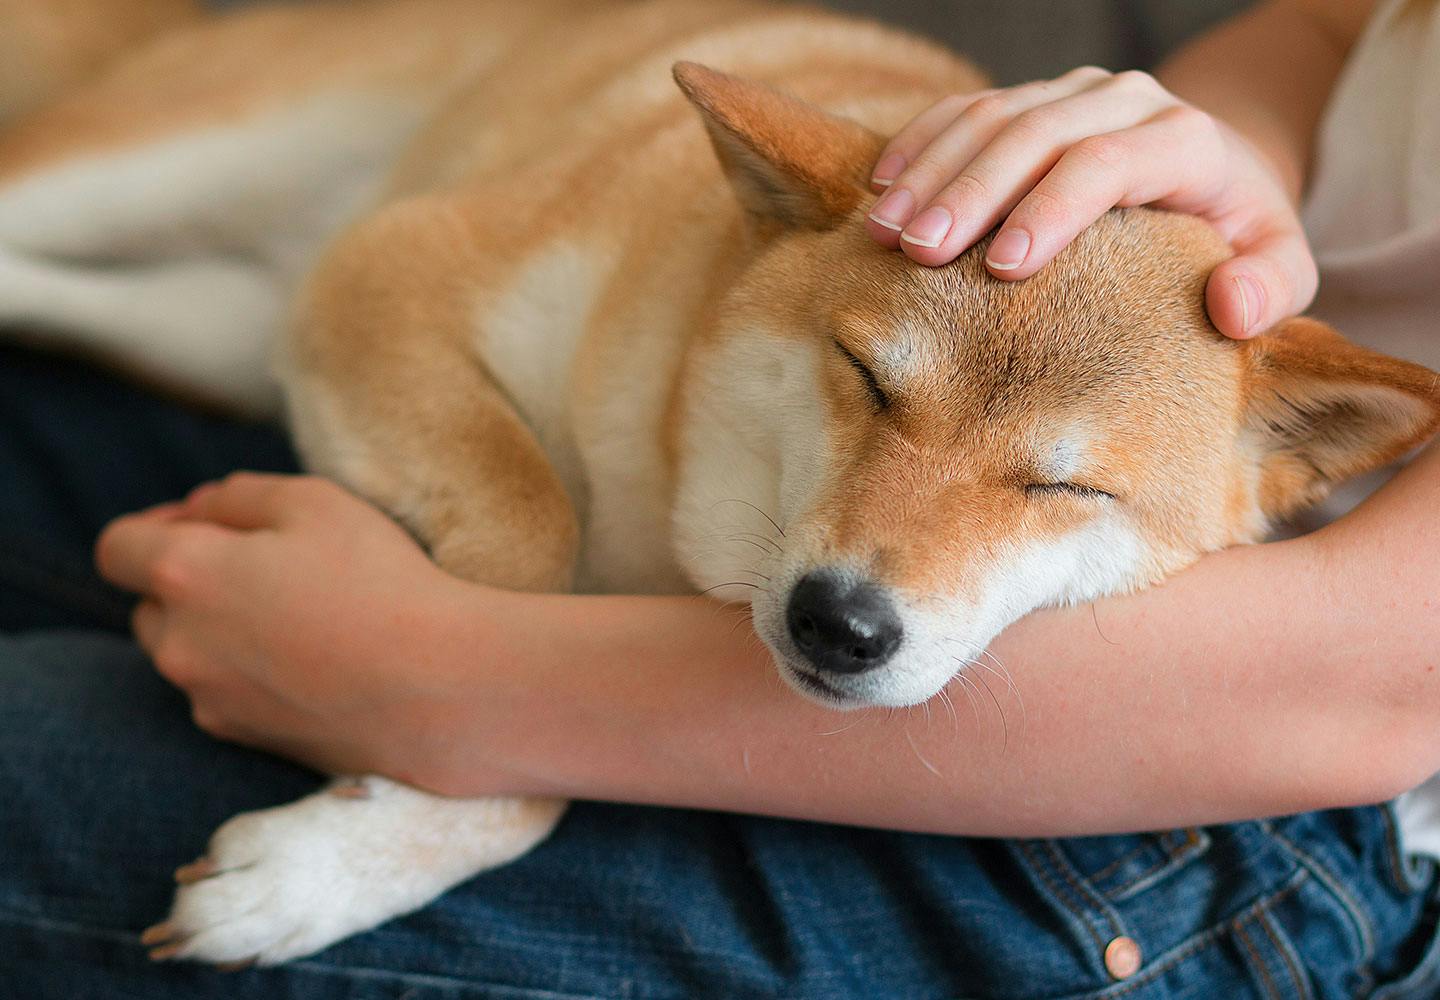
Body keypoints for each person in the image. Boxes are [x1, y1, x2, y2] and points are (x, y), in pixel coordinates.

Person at [5, 0, 1440, 995]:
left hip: (1182, 816)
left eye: (1048, 490)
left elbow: (1374, 685)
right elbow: (1333, 31)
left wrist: (456, 697)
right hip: (463, 252)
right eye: (876, 394)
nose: (879, 558)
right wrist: (1218, 147)